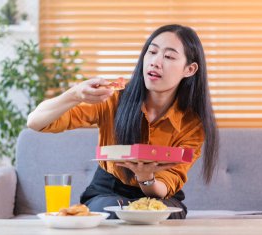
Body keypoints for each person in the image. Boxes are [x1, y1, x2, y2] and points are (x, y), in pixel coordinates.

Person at [27, 24, 219, 219]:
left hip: (158, 195)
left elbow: (166, 184)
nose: (155, 62)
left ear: (189, 69)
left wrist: (146, 178)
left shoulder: (192, 124)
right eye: (152, 52)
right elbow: (35, 122)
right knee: (113, 213)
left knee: (160, 217)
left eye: (168, 57)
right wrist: (75, 94)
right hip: (109, 191)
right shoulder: (112, 97)